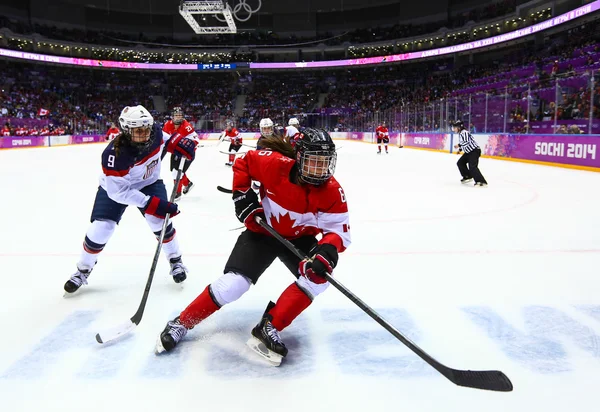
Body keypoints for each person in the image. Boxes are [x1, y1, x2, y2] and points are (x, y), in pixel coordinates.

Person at [156, 128, 351, 367]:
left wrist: (326, 252)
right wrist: (242, 196)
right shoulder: (273, 164)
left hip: (300, 238)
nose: (320, 170)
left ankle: (270, 326)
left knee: (319, 277)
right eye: (314, 162)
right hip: (263, 231)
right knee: (233, 285)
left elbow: (338, 232)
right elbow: (243, 163)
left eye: (325, 163)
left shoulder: (332, 191)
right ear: (299, 158)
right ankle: (181, 323)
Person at [63, 105, 198, 294]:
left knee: (158, 221)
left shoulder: (155, 132)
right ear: (126, 130)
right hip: (115, 189)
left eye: (146, 129)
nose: (144, 134)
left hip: (149, 183)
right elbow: (119, 193)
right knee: (101, 228)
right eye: (138, 131)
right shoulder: (114, 154)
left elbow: (165, 139)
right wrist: (151, 203)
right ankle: (82, 270)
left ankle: (176, 261)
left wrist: (178, 143)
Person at [163, 107, 199, 200]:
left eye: (180, 115)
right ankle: (188, 184)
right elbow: (163, 138)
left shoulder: (187, 126)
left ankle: (177, 193)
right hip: (176, 150)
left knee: (176, 172)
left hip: (187, 153)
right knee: (176, 171)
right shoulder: (167, 125)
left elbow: (196, 140)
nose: (178, 117)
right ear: (172, 117)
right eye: (176, 115)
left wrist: (189, 150)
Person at [452, 120, 488, 187]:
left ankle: (481, 181)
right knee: (460, 163)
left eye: (455, 127)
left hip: (474, 151)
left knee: (472, 167)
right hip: (469, 152)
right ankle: (467, 176)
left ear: (459, 127)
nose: (454, 129)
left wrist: (459, 145)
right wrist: (460, 150)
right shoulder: (461, 133)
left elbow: (466, 142)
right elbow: (464, 143)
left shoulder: (464, 132)